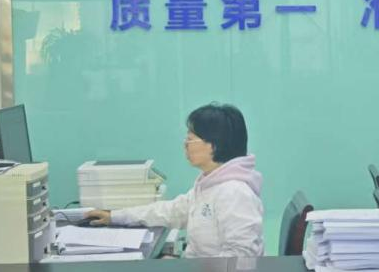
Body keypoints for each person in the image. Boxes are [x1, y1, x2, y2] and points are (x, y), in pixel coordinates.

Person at [86, 103, 264, 259]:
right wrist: (116, 216)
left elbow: (241, 259)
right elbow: (171, 211)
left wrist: (185, 271)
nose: (185, 144)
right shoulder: (209, 184)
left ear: (213, 145)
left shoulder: (235, 192)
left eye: (190, 139)